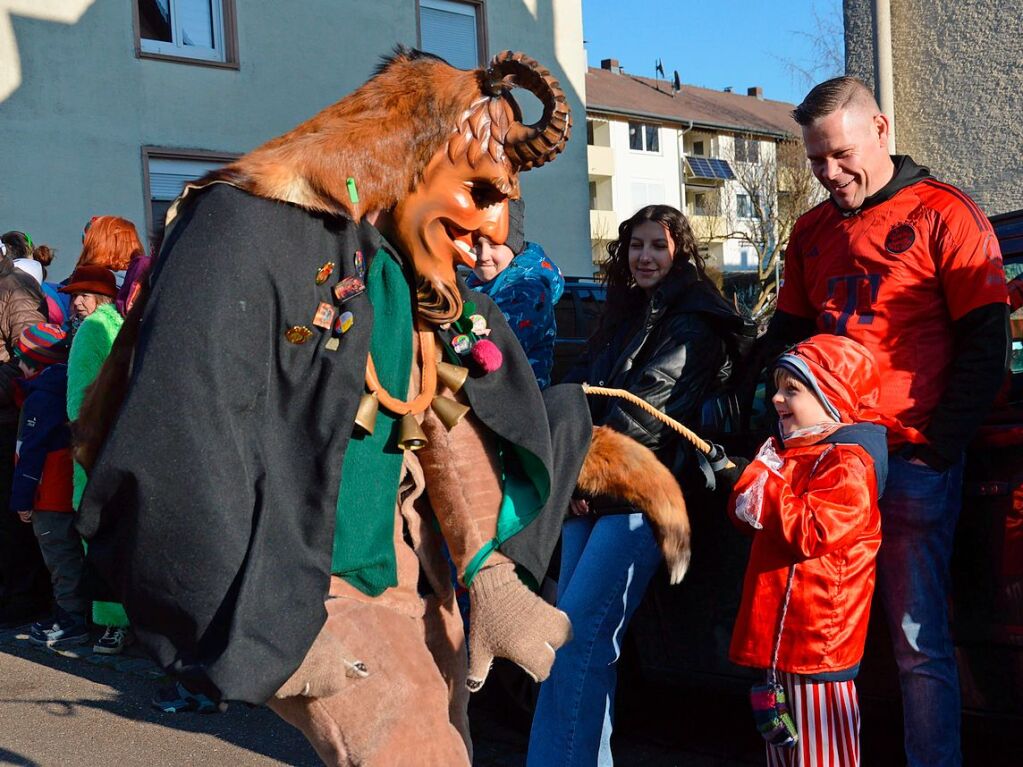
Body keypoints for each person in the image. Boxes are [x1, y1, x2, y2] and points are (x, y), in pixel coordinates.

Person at [74, 49, 688, 766]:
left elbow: (447, 423)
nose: (494, 232)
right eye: (481, 192)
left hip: (413, 583)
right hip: (312, 582)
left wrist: (489, 570)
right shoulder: (247, 230)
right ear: (411, 155)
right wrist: (262, 625)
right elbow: (184, 428)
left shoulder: (408, 278)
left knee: (446, 736)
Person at [754, 76, 1010, 767]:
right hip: (826, 463)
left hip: (909, 458)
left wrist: (935, 451)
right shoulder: (810, 231)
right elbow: (788, 337)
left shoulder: (945, 214)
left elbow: (986, 343)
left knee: (915, 638)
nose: (829, 173)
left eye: (839, 154)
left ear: (880, 130)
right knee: (826, 635)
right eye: (814, 160)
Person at [527, 204, 747, 766]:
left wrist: (579, 464)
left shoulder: (693, 319)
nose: (645, 256)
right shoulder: (628, 312)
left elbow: (644, 417)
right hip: (595, 489)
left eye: (658, 246)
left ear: (681, 252)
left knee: (579, 646)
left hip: (642, 496)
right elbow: (576, 390)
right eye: (636, 246)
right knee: (566, 643)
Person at [730, 335, 923, 766]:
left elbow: (811, 531)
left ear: (831, 395)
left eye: (792, 390)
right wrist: (737, 481)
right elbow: (754, 520)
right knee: (784, 754)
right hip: (784, 644)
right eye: (777, 386)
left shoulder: (849, 463)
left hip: (817, 646)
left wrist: (756, 480)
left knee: (821, 757)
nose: (776, 398)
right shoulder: (796, 452)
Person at [60, 265, 128, 654]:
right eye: (73, 295)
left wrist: (79, 432)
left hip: (96, 448)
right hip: (123, 442)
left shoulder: (90, 331)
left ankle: (111, 624)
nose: (76, 302)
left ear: (101, 297)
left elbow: (77, 399)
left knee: (97, 531)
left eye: (84, 294)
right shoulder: (119, 323)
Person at [9, 324, 85, 648]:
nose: (15, 364)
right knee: (68, 557)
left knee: (61, 560)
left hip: (48, 496)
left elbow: (30, 454)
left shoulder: (40, 398)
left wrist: (22, 501)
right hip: (65, 492)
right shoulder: (64, 387)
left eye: (18, 357)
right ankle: (67, 615)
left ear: (32, 361)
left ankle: (72, 622)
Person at [0, 233, 50, 628]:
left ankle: (22, 599)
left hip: (7, 420)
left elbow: (32, 354)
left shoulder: (14, 288)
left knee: (12, 515)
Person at [465, 199, 564, 388]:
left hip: (517, 401)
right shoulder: (478, 281)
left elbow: (496, 351)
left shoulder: (528, 291)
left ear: (514, 245)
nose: (483, 255)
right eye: (476, 244)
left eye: (494, 244)